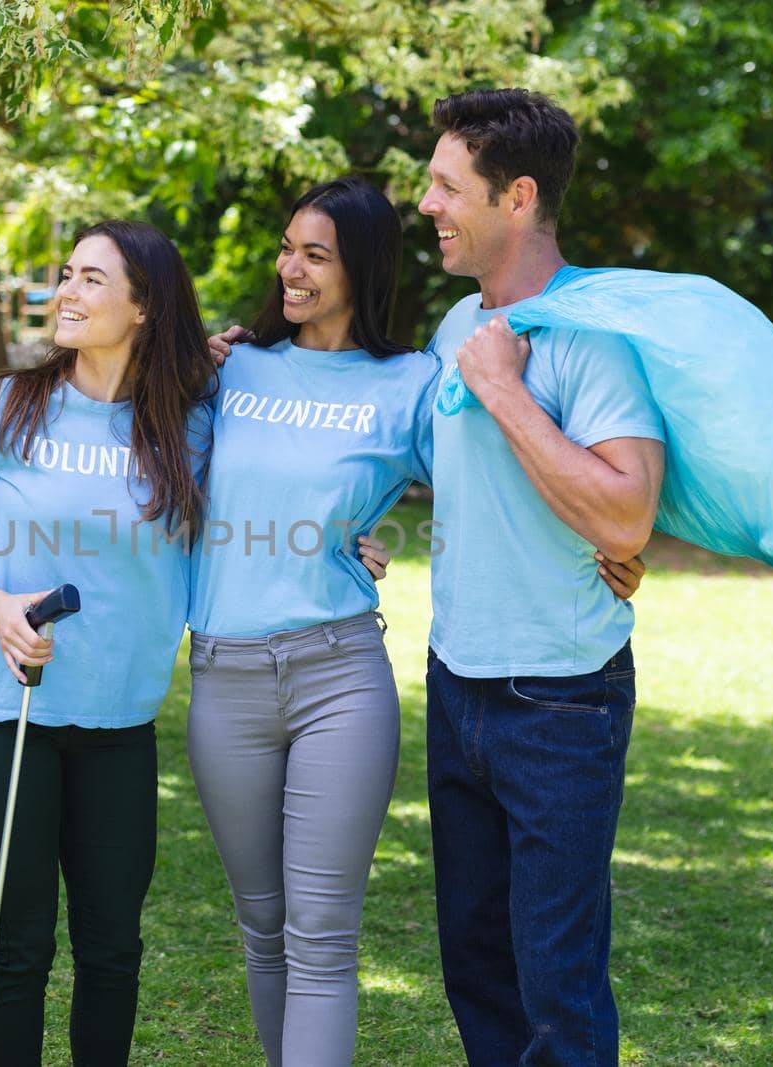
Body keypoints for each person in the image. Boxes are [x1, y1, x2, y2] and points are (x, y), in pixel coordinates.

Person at [192, 178, 645, 1066]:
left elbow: (496, 480)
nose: (291, 268)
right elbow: (170, 483)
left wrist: (612, 536)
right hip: (223, 674)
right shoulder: (232, 368)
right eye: (288, 248)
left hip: (338, 673)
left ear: (361, 269)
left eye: (315, 255)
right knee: (260, 925)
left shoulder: (412, 381)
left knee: (321, 932)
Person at [0, 220, 217, 1066]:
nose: (68, 292)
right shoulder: (2, 405)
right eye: (67, 274)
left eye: (93, 279)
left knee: (112, 947)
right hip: (1, 709)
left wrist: (352, 541)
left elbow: (275, 492)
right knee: (20, 945)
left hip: (120, 719)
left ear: (143, 306)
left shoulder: (191, 425)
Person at [416, 89, 667, 1066]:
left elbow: (623, 510)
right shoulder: (452, 322)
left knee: (556, 984)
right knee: (476, 966)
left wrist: (504, 388)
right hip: (456, 680)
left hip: (558, 699)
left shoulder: (590, 334)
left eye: (446, 186)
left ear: (515, 196)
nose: (428, 204)